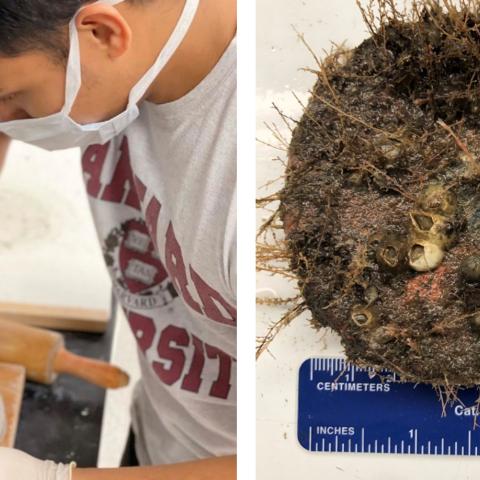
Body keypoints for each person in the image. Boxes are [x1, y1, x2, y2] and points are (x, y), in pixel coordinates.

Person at [0, 0, 237, 479]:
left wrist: (51, 479)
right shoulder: (121, 64)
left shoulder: (249, 179)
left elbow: (309, 457)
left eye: (13, 99)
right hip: (159, 435)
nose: (9, 124)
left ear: (103, 33)